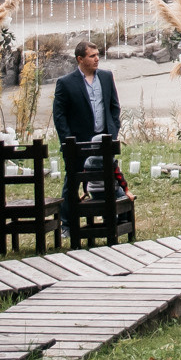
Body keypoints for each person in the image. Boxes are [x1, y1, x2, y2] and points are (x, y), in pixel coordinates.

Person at [51, 39, 120, 240]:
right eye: (92, 56)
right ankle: (68, 223)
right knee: (72, 180)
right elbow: (59, 114)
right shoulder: (66, 82)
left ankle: (109, 217)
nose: (97, 59)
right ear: (80, 59)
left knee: (107, 177)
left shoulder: (106, 77)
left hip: (103, 140)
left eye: (98, 55)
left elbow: (114, 106)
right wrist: (68, 140)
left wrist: (113, 130)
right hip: (78, 141)